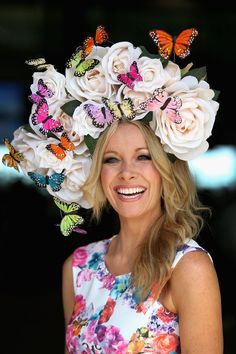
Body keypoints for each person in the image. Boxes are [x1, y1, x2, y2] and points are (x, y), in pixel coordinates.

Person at [3, 25, 223, 353]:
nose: (126, 173)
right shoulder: (77, 267)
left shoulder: (188, 268)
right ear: (97, 172)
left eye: (143, 157)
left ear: (167, 171)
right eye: (111, 159)